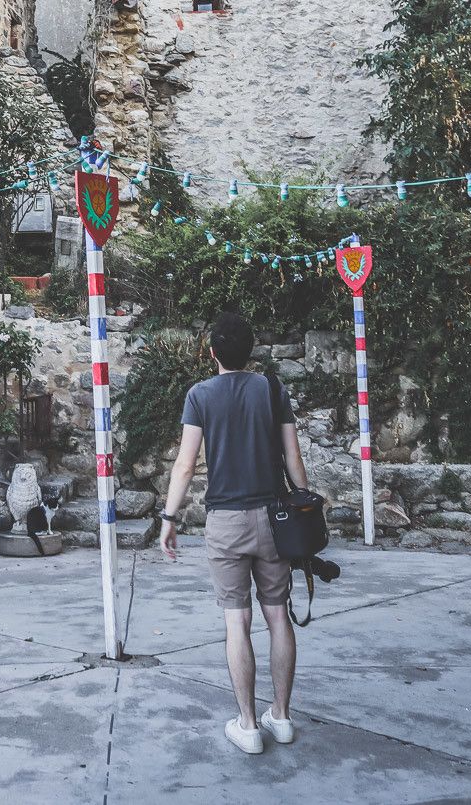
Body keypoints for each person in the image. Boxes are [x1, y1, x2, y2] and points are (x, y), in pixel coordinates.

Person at [159, 310, 309, 755]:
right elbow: (294, 459)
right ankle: (280, 717)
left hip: (225, 521)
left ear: (211, 353)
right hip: (273, 518)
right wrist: (304, 504)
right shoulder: (272, 389)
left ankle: (247, 725)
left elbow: (186, 465)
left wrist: (169, 519)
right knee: (278, 614)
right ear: (251, 351)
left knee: (236, 621)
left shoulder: (200, 395)